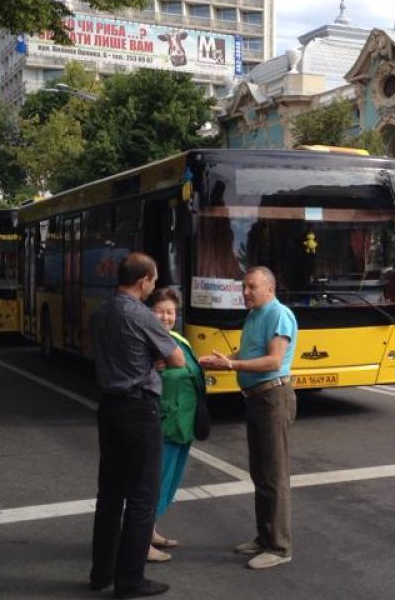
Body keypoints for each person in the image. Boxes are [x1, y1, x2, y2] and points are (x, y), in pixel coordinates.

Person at [88, 253, 185, 599]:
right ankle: (130, 579)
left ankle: (101, 573)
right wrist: (150, 361)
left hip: (109, 408)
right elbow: (175, 358)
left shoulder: (102, 312)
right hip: (138, 409)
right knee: (143, 497)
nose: (154, 287)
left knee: (110, 496)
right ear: (143, 280)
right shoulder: (140, 315)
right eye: (154, 281)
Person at [199, 266, 298, 570]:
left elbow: (273, 360)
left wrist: (232, 367)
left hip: (273, 397)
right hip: (256, 399)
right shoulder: (255, 315)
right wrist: (223, 362)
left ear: (270, 288)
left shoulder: (278, 314)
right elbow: (248, 352)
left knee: (274, 475)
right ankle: (264, 536)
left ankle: (280, 547)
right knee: (260, 472)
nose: (245, 292)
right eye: (244, 287)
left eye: (251, 287)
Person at [146, 287, 205, 564]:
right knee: (155, 482)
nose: (166, 317)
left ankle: (151, 531)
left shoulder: (177, 337)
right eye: (160, 311)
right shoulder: (148, 341)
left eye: (170, 311)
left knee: (169, 480)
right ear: (149, 312)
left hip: (183, 423)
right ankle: (142, 541)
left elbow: (188, 368)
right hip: (164, 423)